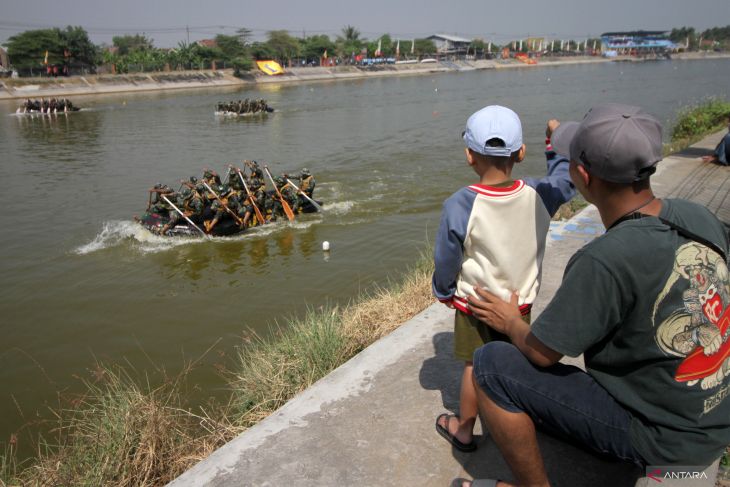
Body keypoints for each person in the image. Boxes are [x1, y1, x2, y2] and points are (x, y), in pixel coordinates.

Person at [457, 104, 730, 487]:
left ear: (583, 176)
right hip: (714, 415)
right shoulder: (696, 216)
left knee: (491, 364)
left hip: (663, 440)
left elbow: (541, 352)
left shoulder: (603, 260)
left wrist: (509, 321)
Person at [432, 105, 575, 453]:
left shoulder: (459, 204)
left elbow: (446, 257)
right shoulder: (541, 193)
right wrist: (554, 144)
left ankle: (464, 430)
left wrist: (445, 289)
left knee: (473, 366)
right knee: (516, 363)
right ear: (522, 153)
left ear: (469, 155)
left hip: (475, 304)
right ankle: (521, 418)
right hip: (517, 305)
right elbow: (566, 179)